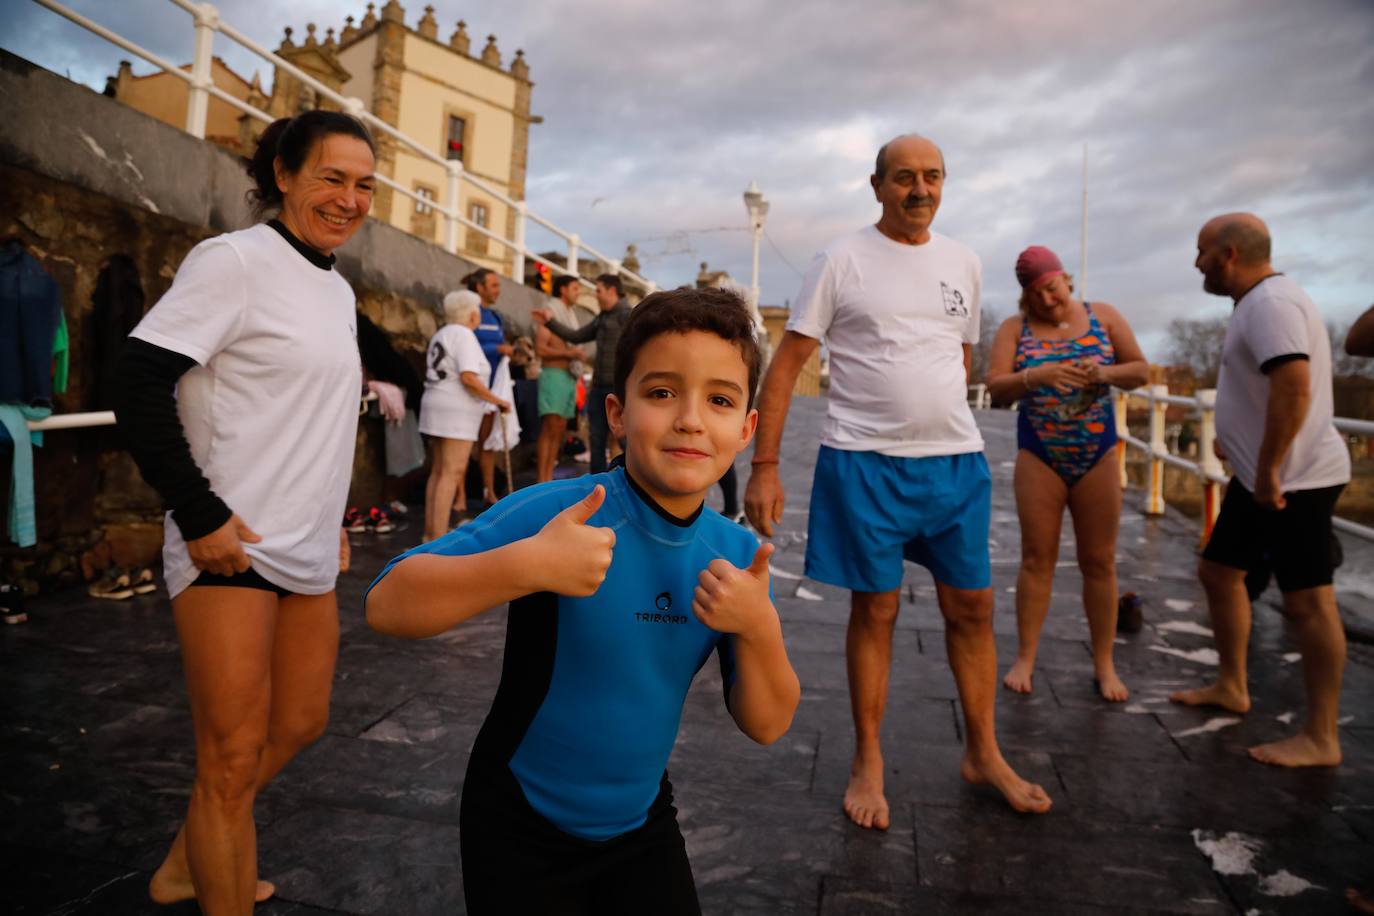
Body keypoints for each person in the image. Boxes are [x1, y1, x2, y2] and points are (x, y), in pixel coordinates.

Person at [366, 287, 800, 915]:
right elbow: (386, 603)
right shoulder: (562, 511)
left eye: (720, 400)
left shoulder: (735, 554)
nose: (690, 419)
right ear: (617, 415)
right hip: (518, 822)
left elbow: (767, 724)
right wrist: (526, 564)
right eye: (661, 393)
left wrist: (759, 627)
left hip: (641, 824)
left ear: (745, 428)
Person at [745, 133, 1053, 830]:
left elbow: (959, 353)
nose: (921, 190)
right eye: (906, 177)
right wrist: (763, 467)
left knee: (972, 609)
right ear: (878, 184)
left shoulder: (964, 263)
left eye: (934, 177)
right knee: (875, 611)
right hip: (863, 461)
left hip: (955, 464)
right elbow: (788, 362)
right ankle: (868, 758)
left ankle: (983, 751)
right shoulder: (841, 259)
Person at [113, 110, 375, 913]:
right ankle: (212, 869)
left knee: (298, 722)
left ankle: (190, 859)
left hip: (303, 546)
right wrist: (199, 515)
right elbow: (136, 380)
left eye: (365, 184)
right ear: (284, 174)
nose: (349, 198)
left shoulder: (336, 286)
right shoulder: (232, 262)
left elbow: (314, 416)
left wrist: (330, 513)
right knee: (227, 760)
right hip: (229, 544)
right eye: (331, 177)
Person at [1171, 213, 1352, 768]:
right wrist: (1241, 444)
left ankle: (1322, 736)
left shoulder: (1271, 304)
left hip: (1291, 481)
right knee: (1220, 571)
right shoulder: (1256, 302)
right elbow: (1265, 388)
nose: (1195, 261)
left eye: (1201, 251)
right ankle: (1232, 684)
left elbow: (1293, 387)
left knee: (1308, 602)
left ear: (1228, 253)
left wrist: (1270, 467)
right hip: (1258, 479)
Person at [985, 245, 1149, 702]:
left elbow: (1141, 371)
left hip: (1096, 453)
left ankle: (1104, 663)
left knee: (1099, 561)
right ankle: (1026, 657)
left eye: (1052, 288)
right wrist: (1038, 377)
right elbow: (995, 386)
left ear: (1067, 280)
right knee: (1037, 558)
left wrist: (1104, 372)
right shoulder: (1014, 328)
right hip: (1040, 454)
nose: (1048, 301)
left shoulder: (1104, 316)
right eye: (1036, 294)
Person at [419, 289, 510, 541]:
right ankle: (436, 538)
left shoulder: (443, 333)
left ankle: (431, 532)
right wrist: (497, 400)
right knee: (451, 472)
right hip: (455, 410)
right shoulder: (464, 335)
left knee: (439, 471)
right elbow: (468, 377)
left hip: (435, 403)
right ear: (472, 313)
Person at [532, 273, 631, 474]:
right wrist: (550, 322)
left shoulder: (627, 315)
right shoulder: (602, 317)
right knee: (596, 439)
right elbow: (576, 336)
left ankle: (635, 484)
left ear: (612, 291)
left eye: (598, 291)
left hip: (618, 387)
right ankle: (597, 487)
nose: (595, 296)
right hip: (598, 388)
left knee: (622, 438)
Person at [466, 268, 516, 504]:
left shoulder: (496, 317)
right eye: (494, 285)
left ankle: (489, 492)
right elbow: (466, 346)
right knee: (465, 444)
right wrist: (496, 350)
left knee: (487, 442)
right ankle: (460, 496)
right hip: (470, 389)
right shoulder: (470, 312)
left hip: (492, 390)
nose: (498, 290)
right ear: (480, 288)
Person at [533, 274, 587, 482]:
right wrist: (569, 354)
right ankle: (541, 479)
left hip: (568, 377)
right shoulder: (550, 312)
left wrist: (574, 356)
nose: (578, 292)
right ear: (562, 289)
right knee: (549, 427)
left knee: (560, 429)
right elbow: (540, 348)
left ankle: (548, 475)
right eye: (575, 288)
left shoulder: (569, 316)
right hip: (553, 375)